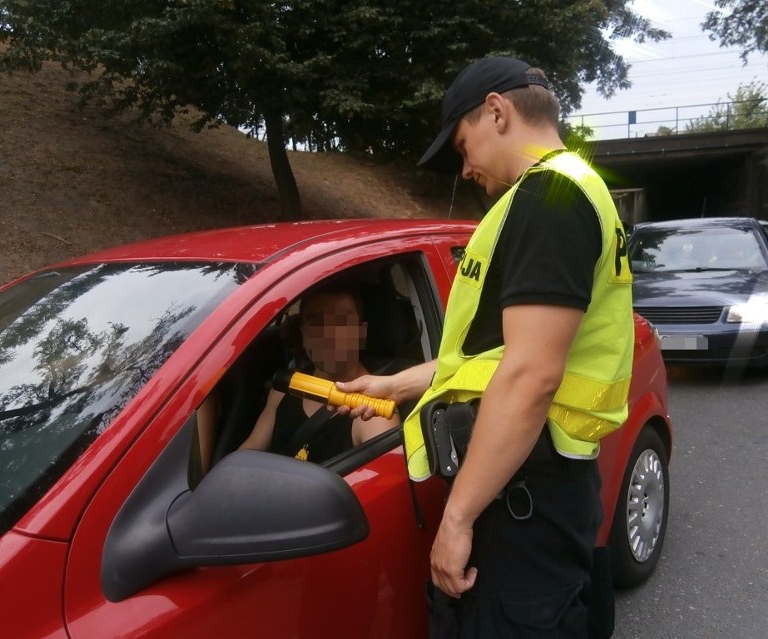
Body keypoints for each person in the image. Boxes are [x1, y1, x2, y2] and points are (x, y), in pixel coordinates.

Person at [336, 56, 633, 637]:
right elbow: (494, 355)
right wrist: (394, 385)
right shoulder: (568, 190)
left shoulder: (549, 199)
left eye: (462, 144)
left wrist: (458, 517)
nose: (464, 167)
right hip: (540, 488)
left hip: (522, 497)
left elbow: (529, 375)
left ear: (497, 112)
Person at [240, 283, 398, 464]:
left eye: (341, 321)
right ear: (303, 333)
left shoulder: (373, 412)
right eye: (316, 322)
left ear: (361, 332)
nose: (329, 333)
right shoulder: (284, 388)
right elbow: (246, 456)